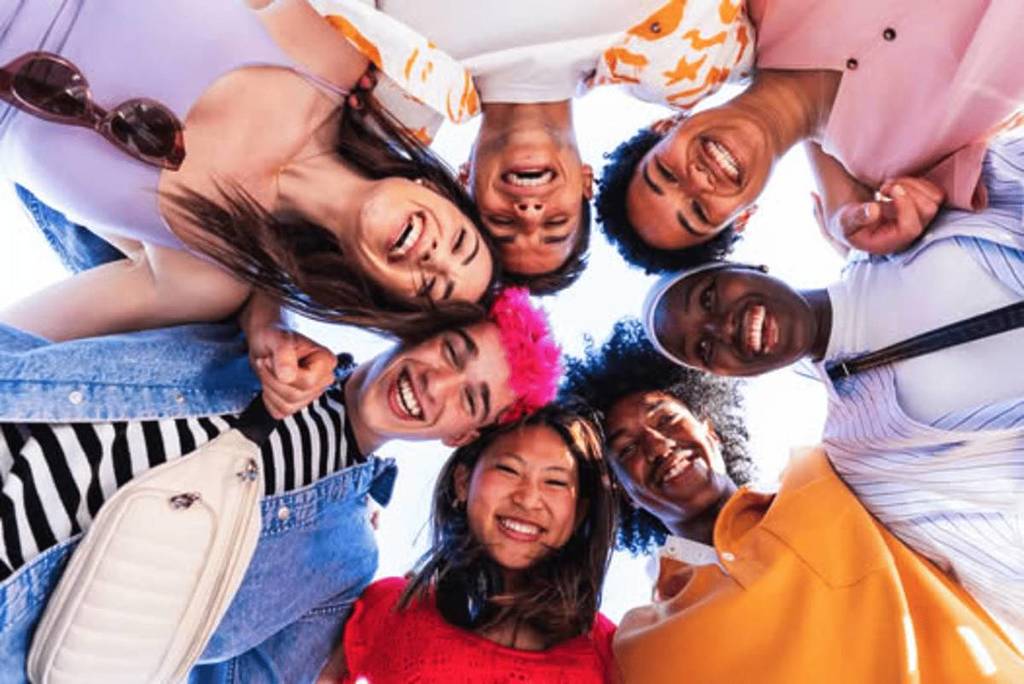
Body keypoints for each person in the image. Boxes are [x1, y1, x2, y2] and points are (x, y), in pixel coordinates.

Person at [0, 286, 562, 684]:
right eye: (450, 351)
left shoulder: (344, 560)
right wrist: (266, 313)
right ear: (419, 328)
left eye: (470, 397)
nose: (435, 384)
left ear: (462, 434)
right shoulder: (249, 320)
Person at [642, 137, 1024, 635]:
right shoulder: (864, 458)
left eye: (710, 297)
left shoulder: (913, 215)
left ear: (746, 266)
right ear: (726, 376)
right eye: (705, 350)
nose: (722, 327)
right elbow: (997, 561)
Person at [0, 0, 498, 345]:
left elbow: (15, 347)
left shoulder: (206, 274)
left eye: (433, 287)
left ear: (385, 298)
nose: (436, 258)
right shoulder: (334, 51)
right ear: (433, 188)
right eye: (460, 244)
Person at [563, 319, 1024, 682]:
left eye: (665, 418)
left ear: (711, 430)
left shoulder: (831, 473)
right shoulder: (642, 643)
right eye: (625, 450)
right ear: (623, 493)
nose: (657, 444)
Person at [304, 0, 754, 292]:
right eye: (556, 222)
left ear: (464, 180)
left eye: (502, 222)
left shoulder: (397, 95)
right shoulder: (682, 64)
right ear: (586, 181)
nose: (529, 213)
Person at [597, 0, 1024, 273]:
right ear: (743, 216)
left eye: (666, 174)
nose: (697, 182)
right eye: (699, 212)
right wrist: (849, 231)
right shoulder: (906, 173)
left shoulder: (758, 9)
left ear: (666, 125)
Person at [322, 401, 617, 683]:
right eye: (508, 470)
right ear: (462, 482)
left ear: (579, 513)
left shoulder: (610, 651)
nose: (527, 499)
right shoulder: (390, 606)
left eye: (555, 482)